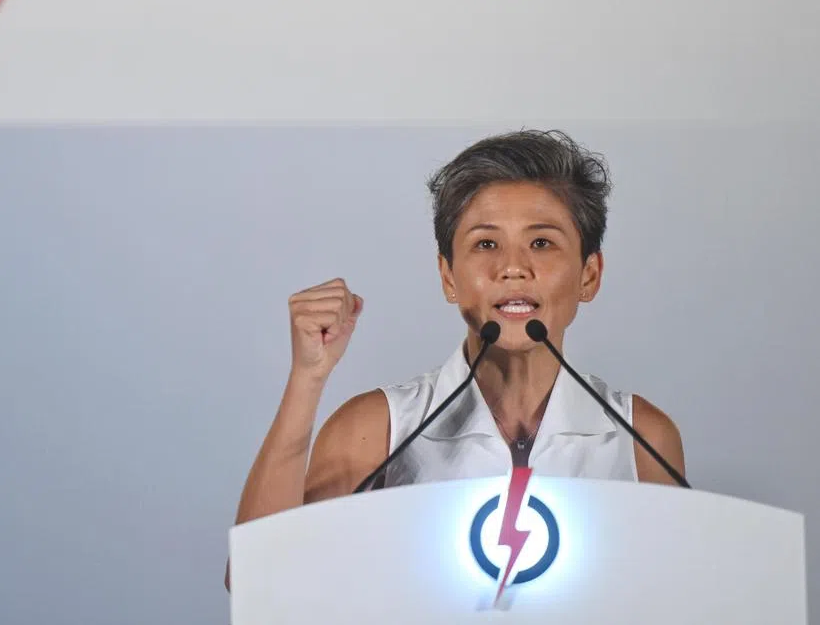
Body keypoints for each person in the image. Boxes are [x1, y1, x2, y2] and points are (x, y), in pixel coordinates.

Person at [230, 130, 686, 556]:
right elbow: (262, 575)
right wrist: (308, 378)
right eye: (486, 245)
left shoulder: (641, 438)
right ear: (448, 276)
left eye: (542, 243)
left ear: (589, 275)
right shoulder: (376, 428)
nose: (512, 268)